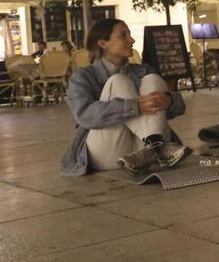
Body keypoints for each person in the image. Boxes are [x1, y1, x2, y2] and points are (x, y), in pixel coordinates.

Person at [60, 18, 189, 176]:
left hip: (142, 150)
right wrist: (133, 106)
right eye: (123, 35)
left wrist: (169, 100)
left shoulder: (144, 70)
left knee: (152, 79)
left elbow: (180, 106)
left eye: (130, 34)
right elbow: (84, 115)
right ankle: (158, 146)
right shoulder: (83, 76)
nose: (132, 40)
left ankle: (153, 145)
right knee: (119, 81)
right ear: (103, 43)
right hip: (108, 149)